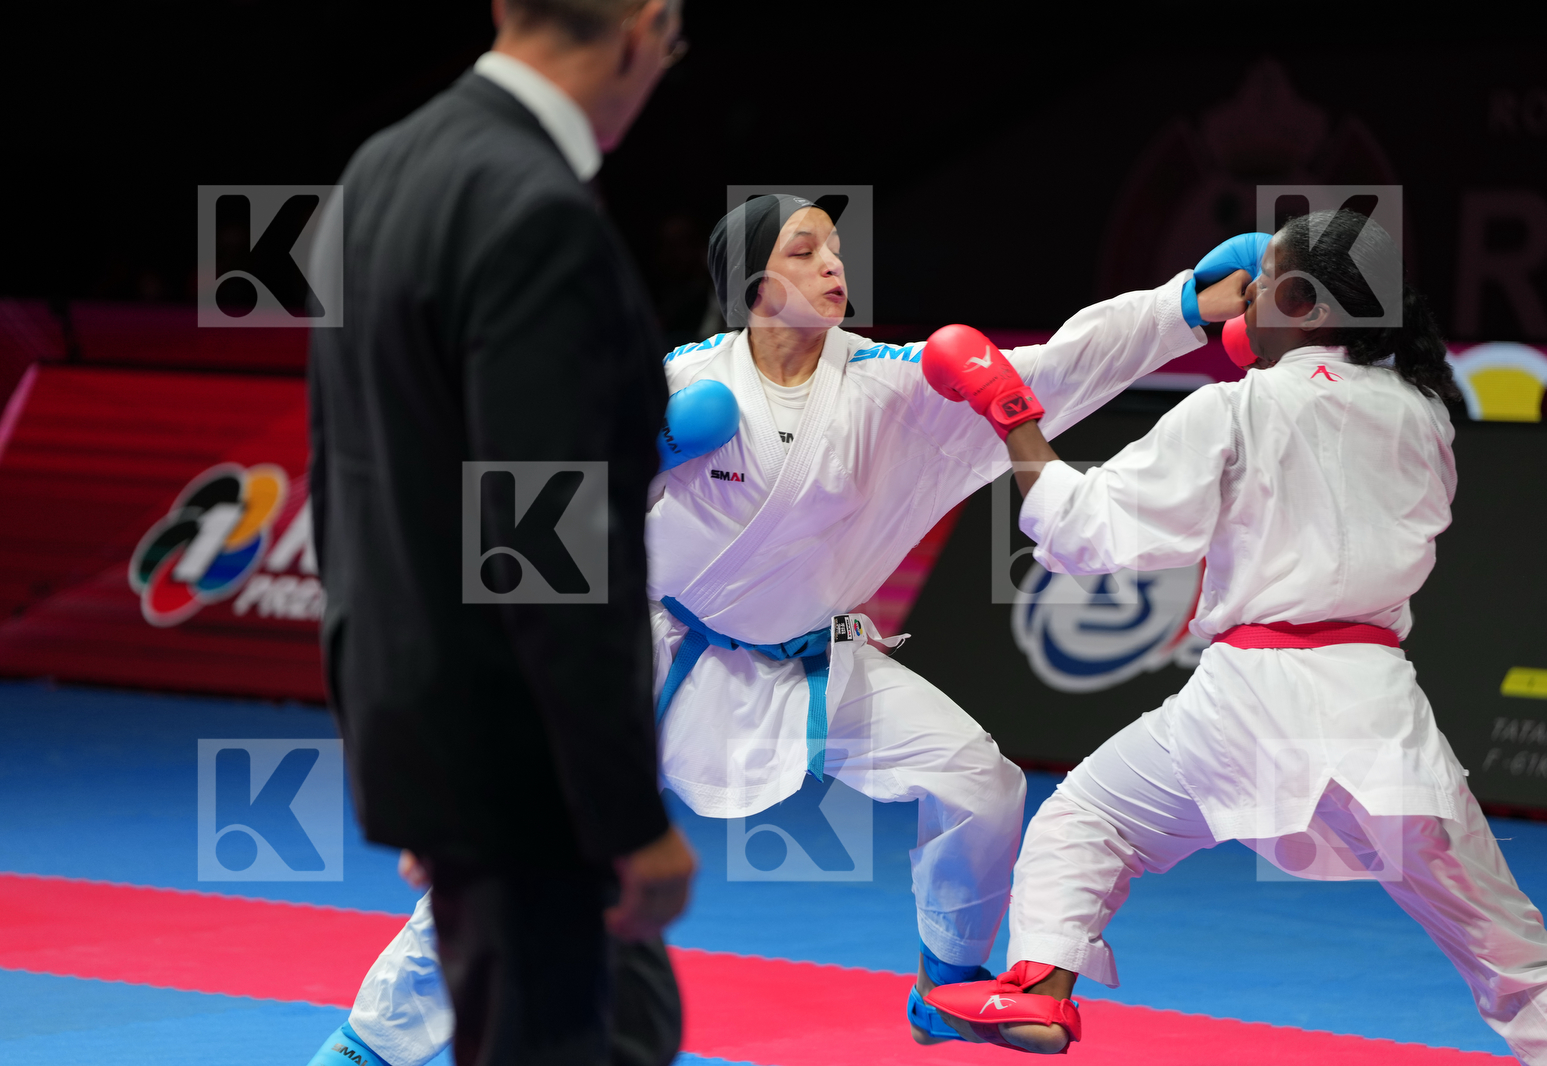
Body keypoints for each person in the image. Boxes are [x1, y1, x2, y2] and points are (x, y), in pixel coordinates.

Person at [321, 190, 1258, 1062]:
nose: (831, 266)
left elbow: (1057, 363)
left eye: (837, 250)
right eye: (803, 251)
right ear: (754, 286)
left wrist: (1182, 305)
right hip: (646, 657)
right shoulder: (680, 381)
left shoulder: (889, 386)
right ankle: (369, 1046)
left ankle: (947, 981)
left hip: (811, 665)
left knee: (980, 781)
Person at [922, 212, 1547, 1062]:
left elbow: (1086, 533)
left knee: (1088, 819)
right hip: (1380, 714)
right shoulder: (1424, 415)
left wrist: (1008, 408)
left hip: (1249, 701)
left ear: (1305, 304)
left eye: (1264, 279)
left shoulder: (1236, 407)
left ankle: (1041, 991)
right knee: (1522, 964)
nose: (1243, 296)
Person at [304, 1, 695, 1064]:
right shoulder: (537, 212)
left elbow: (342, 485)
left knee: (623, 1019)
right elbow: (546, 548)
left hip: (442, 734)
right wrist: (622, 812)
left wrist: (414, 756)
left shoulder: (377, 169)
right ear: (641, 30)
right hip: (531, 768)